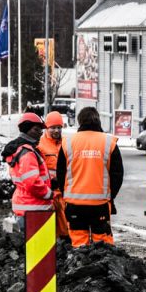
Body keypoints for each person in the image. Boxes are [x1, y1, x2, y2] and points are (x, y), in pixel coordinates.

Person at [56, 106, 123, 247]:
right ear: (98, 120)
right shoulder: (108, 142)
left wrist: (65, 194)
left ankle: (81, 266)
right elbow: (117, 174)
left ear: (80, 121)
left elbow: (60, 173)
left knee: (79, 242)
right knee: (103, 243)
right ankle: (103, 267)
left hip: (74, 204)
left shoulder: (68, 142)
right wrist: (111, 196)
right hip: (100, 204)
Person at [1, 112, 53, 235]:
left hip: (26, 205)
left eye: (41, 129)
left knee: (28, 250)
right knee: (39, 251)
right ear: (26, 129)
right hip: (35, 208)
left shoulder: (20, 149)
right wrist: (49, 193)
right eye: (37, 129)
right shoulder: (27, 152)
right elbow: (32, 182)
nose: (40, 132)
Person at [37, 110, 69, 240]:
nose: (56, 131)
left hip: (65, 191)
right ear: (46, 128)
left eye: (59, 127)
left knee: (66, 225)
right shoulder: (40, 145)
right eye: (53, 128)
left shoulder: (66, 143)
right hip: (49, 192)